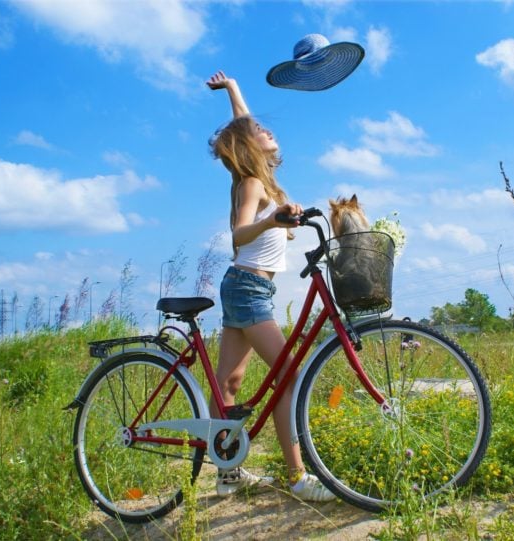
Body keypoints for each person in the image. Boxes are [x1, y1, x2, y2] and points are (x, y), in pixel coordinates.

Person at [206, 70, 335, 503]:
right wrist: (271, 219)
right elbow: (239, 234)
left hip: (247, 288)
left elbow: (243, 124)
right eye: (259, 131)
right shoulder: (252, 184)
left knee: (230, 382)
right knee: (288, 375)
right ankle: (297, 477)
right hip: (246, 287)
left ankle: (226, 473)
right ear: (249, 146)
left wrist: (233, 88)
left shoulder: (261, 179)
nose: (267, 129)